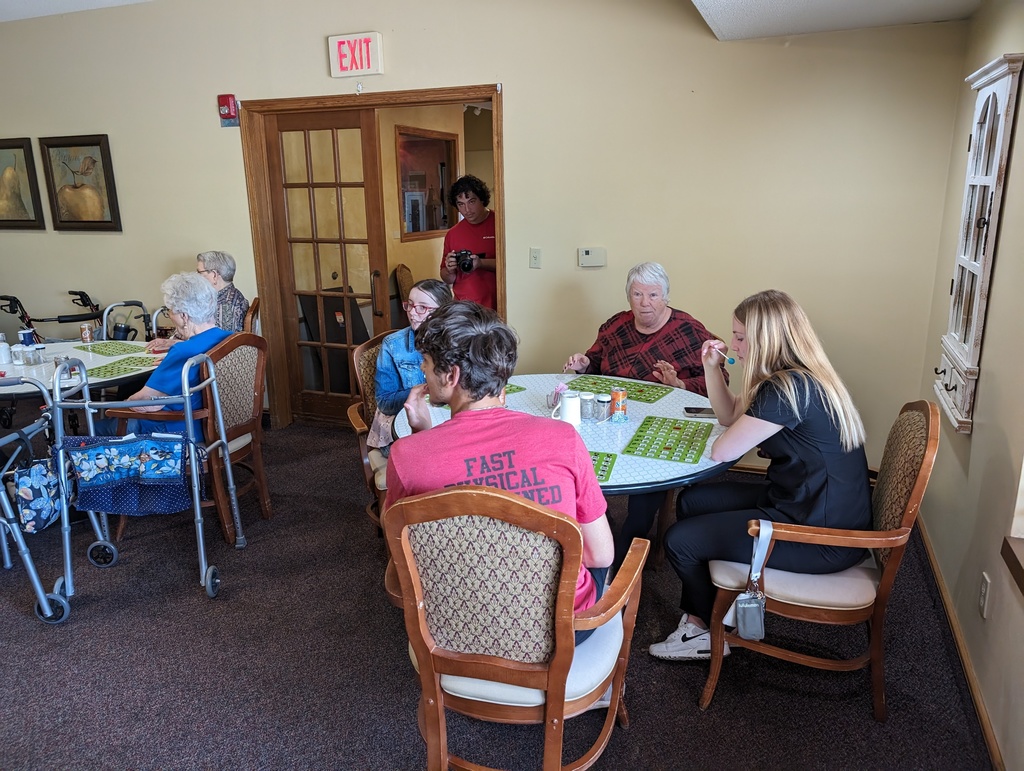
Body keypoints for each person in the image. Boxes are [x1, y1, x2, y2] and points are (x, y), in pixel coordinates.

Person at [650, 289, 871, 661]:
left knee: (679, 541)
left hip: (821, 534)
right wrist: (709, 369)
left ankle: (706, 631)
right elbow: (728, 417)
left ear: (765, 339)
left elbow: (724, 449)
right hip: (800, 499)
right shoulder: (792, 376)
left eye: (739, 336)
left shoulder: (786, 390)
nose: (732, 342)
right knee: (692, 500)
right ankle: (704, 612)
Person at [383, 302, 614, 642]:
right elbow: (601, 554)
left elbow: (405, 550)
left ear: (451, 376)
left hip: (451, 627)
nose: (422, 372)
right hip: (558, 631)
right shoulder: (563, 438)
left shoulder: (406, 455)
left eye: (426, 364)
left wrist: (423, 437)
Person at [563, 261, 726, 566]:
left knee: (647, 479)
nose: (644, 302)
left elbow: (720, 382)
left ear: (665, 297)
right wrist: (583, 364)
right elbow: (595, 363)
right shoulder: (615, 325)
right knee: (578, 462)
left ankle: (627, 546)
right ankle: (602, 528)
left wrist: (679, 382)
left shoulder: (688, 329)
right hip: (613, 418)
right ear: (629, 296)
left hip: (663, 422)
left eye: (653, 295)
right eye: (637, 294)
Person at [99, 272, 232, 440]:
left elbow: (142, 401)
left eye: (170, 310)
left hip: (181, 431)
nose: (169, 315)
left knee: (98, 426)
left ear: (184, 316)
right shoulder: (231, 338)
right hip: (220, 426)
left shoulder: (183, 353)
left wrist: (121, 407)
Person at [367, 279, 453, 456]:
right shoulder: (393, 345)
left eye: (422, 307)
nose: (413, 313)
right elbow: (384, 403)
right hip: (403, 427)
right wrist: (425, 390)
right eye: (410, 305)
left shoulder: (456, 340)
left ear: (443, 312)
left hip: (443, 421)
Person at [147, 251, 248, 352]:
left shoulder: (225, 305)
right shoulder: (228, 296)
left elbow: (219, 347)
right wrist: (172, 342)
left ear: (214, 275)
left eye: (199, 272)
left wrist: (175, 345)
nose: (196, 276)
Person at [439, 175, 497, 309]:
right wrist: (450, 269)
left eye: (471, 202)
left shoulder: (500, 224)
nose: (467, 210)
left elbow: (513, 265)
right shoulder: (453, 234)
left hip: (497, 304)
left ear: (482, 199)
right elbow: (447, 278)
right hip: (463, 307)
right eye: (461, 204)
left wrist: (481, 263)